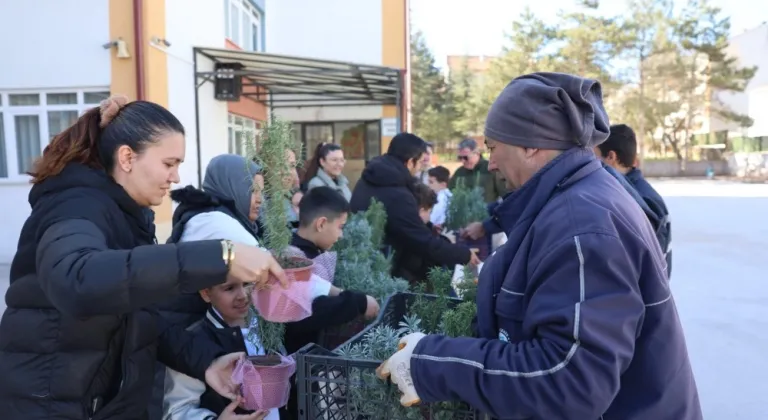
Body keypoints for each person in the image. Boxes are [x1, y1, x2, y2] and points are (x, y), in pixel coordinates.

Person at [376, 73, 701, 419]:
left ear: (530, 145)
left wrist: (433, 364)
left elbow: (568, 382)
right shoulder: (579, 195)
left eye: (493, 147)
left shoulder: (581, 224)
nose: (493, 163)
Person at [0, 96, 288, 420]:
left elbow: (136, 317)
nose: (176, 177)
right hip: (50, 407)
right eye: (169, 163)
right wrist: (222, 255)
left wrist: (206, 363)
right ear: (127, 157)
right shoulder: (75, 207)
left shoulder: (128, 214)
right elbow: (76, 279)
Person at [162, 154, 335, 420]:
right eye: (251, 190)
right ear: (206, 292)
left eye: (248, 285)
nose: (243, 295)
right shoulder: (214, 222)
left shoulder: (263, 324)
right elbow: (178, 410)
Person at [281, 186, 380, 420]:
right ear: (322, 223)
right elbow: (304, 313)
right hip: (297, 375)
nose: (341, 235)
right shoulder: (293, 258)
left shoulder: (310, 252)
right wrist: (356, 303)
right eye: (340, 227)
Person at [349, 133, 479, 283]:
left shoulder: (368, 179)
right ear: (410, 162)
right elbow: (421, 242)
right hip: (385, 274)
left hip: (361, 263)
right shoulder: (397, 193)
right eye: (419, 164)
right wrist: (463, 255)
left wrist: (427, 227)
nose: (418, 170)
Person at [596, 124, 672, 276]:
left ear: (611, 157)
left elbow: (643, 262)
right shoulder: (636, 191)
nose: (592, 161)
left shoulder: (640, 200)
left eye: (595, 155)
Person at [448, 138, 506, 203]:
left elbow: (505, 195)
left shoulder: (491, 169)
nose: (462, 161)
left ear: (477, 153)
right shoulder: (459, 172)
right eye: (460, 158)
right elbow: (449, 193)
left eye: (465, 157)